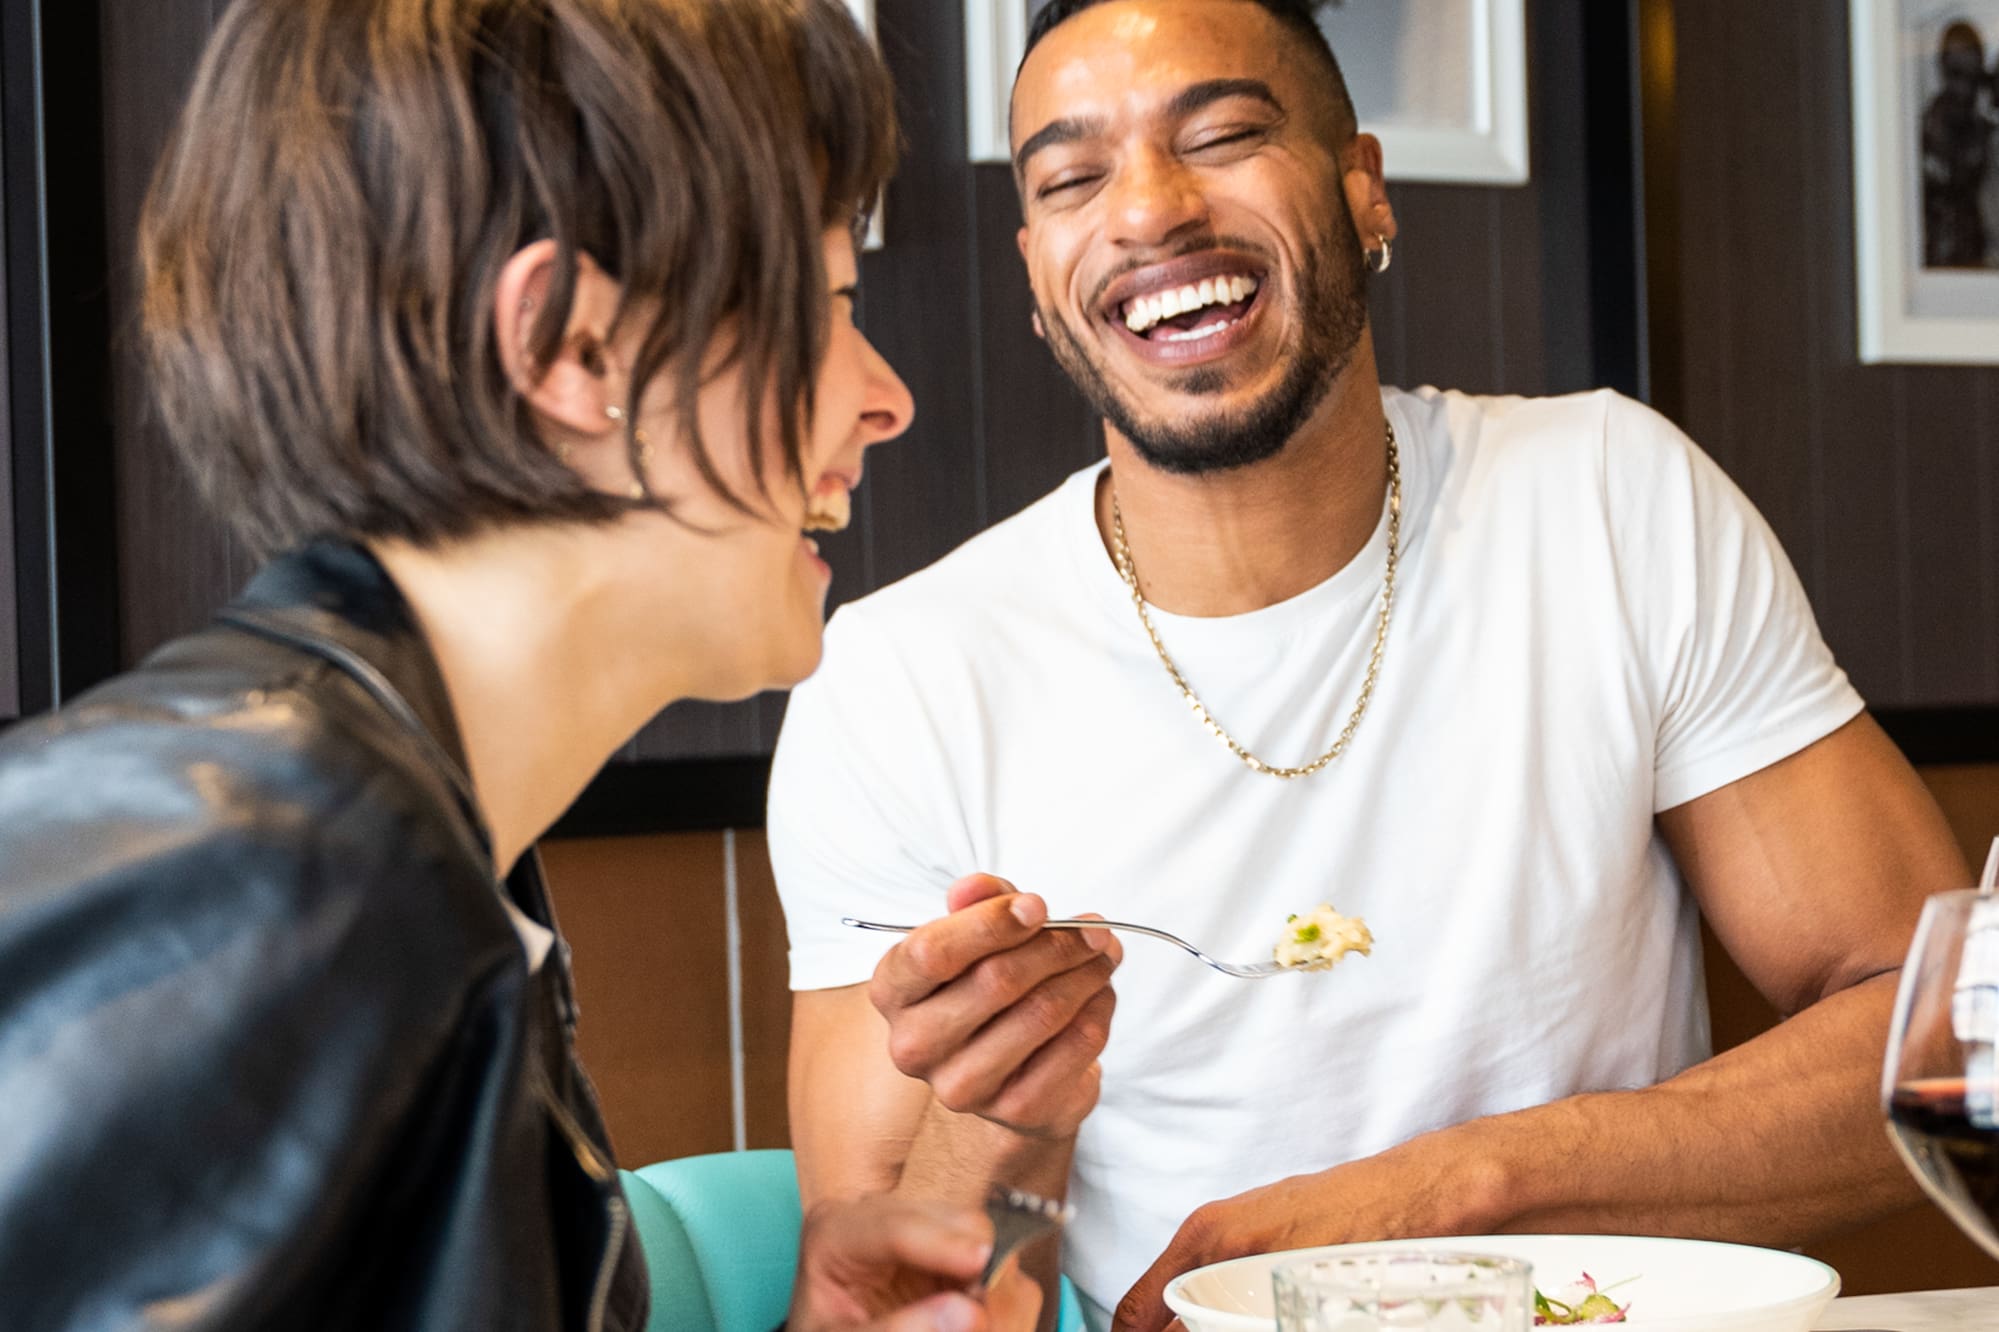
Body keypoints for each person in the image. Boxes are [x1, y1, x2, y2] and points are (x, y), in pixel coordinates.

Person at [767, 2, 1972, 1330]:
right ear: (1038, 278)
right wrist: (1003, 1125)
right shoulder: (897, 681)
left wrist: (1456, 1195)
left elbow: (1939, 1043)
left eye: (1219, 135)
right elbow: (894, 1299)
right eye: (1071, 178)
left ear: (1361, 192)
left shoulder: (1609, 500)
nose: (1148, 210)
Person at [0, 1, 1038, 1329]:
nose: (882, 394)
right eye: (831, 301)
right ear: (569, 345)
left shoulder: (402, 845)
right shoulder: (277, 881)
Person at [1922, 20, 1995, 268]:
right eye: (1956, 74)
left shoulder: (1982, 128)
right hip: (1941, 255)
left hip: (1977, 252)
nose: (1964, 88)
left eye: (1972, 77)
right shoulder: (1933, 125)